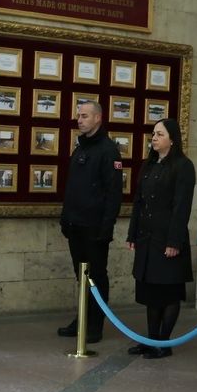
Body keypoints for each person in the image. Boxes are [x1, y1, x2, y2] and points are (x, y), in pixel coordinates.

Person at [126, 118, 195, 358]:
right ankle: (150, 338)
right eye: (153, 134)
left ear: (172, 139)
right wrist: (132, 233)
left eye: (159, 134)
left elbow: (181, 207)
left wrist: (174, 242)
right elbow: (138, 202)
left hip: (167, 239)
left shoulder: (183, 166)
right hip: (146, 238)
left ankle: (163, 343)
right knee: (150, 292)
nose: (154, 138)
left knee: (168, 292)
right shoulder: (150, 164)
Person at [57, 101, 123, 343]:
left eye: (85, 116)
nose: (79, 119)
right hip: (75, 225)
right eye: (78, 116)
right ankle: (82, 318)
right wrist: (66, 218)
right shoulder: (81, 148)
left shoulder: (108, 151)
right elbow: (73, 188)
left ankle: (95, 324)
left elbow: (113, 193)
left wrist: (106, 228)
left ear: (98, 118)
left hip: (95, 228)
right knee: (81, 275)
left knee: (96, 275)